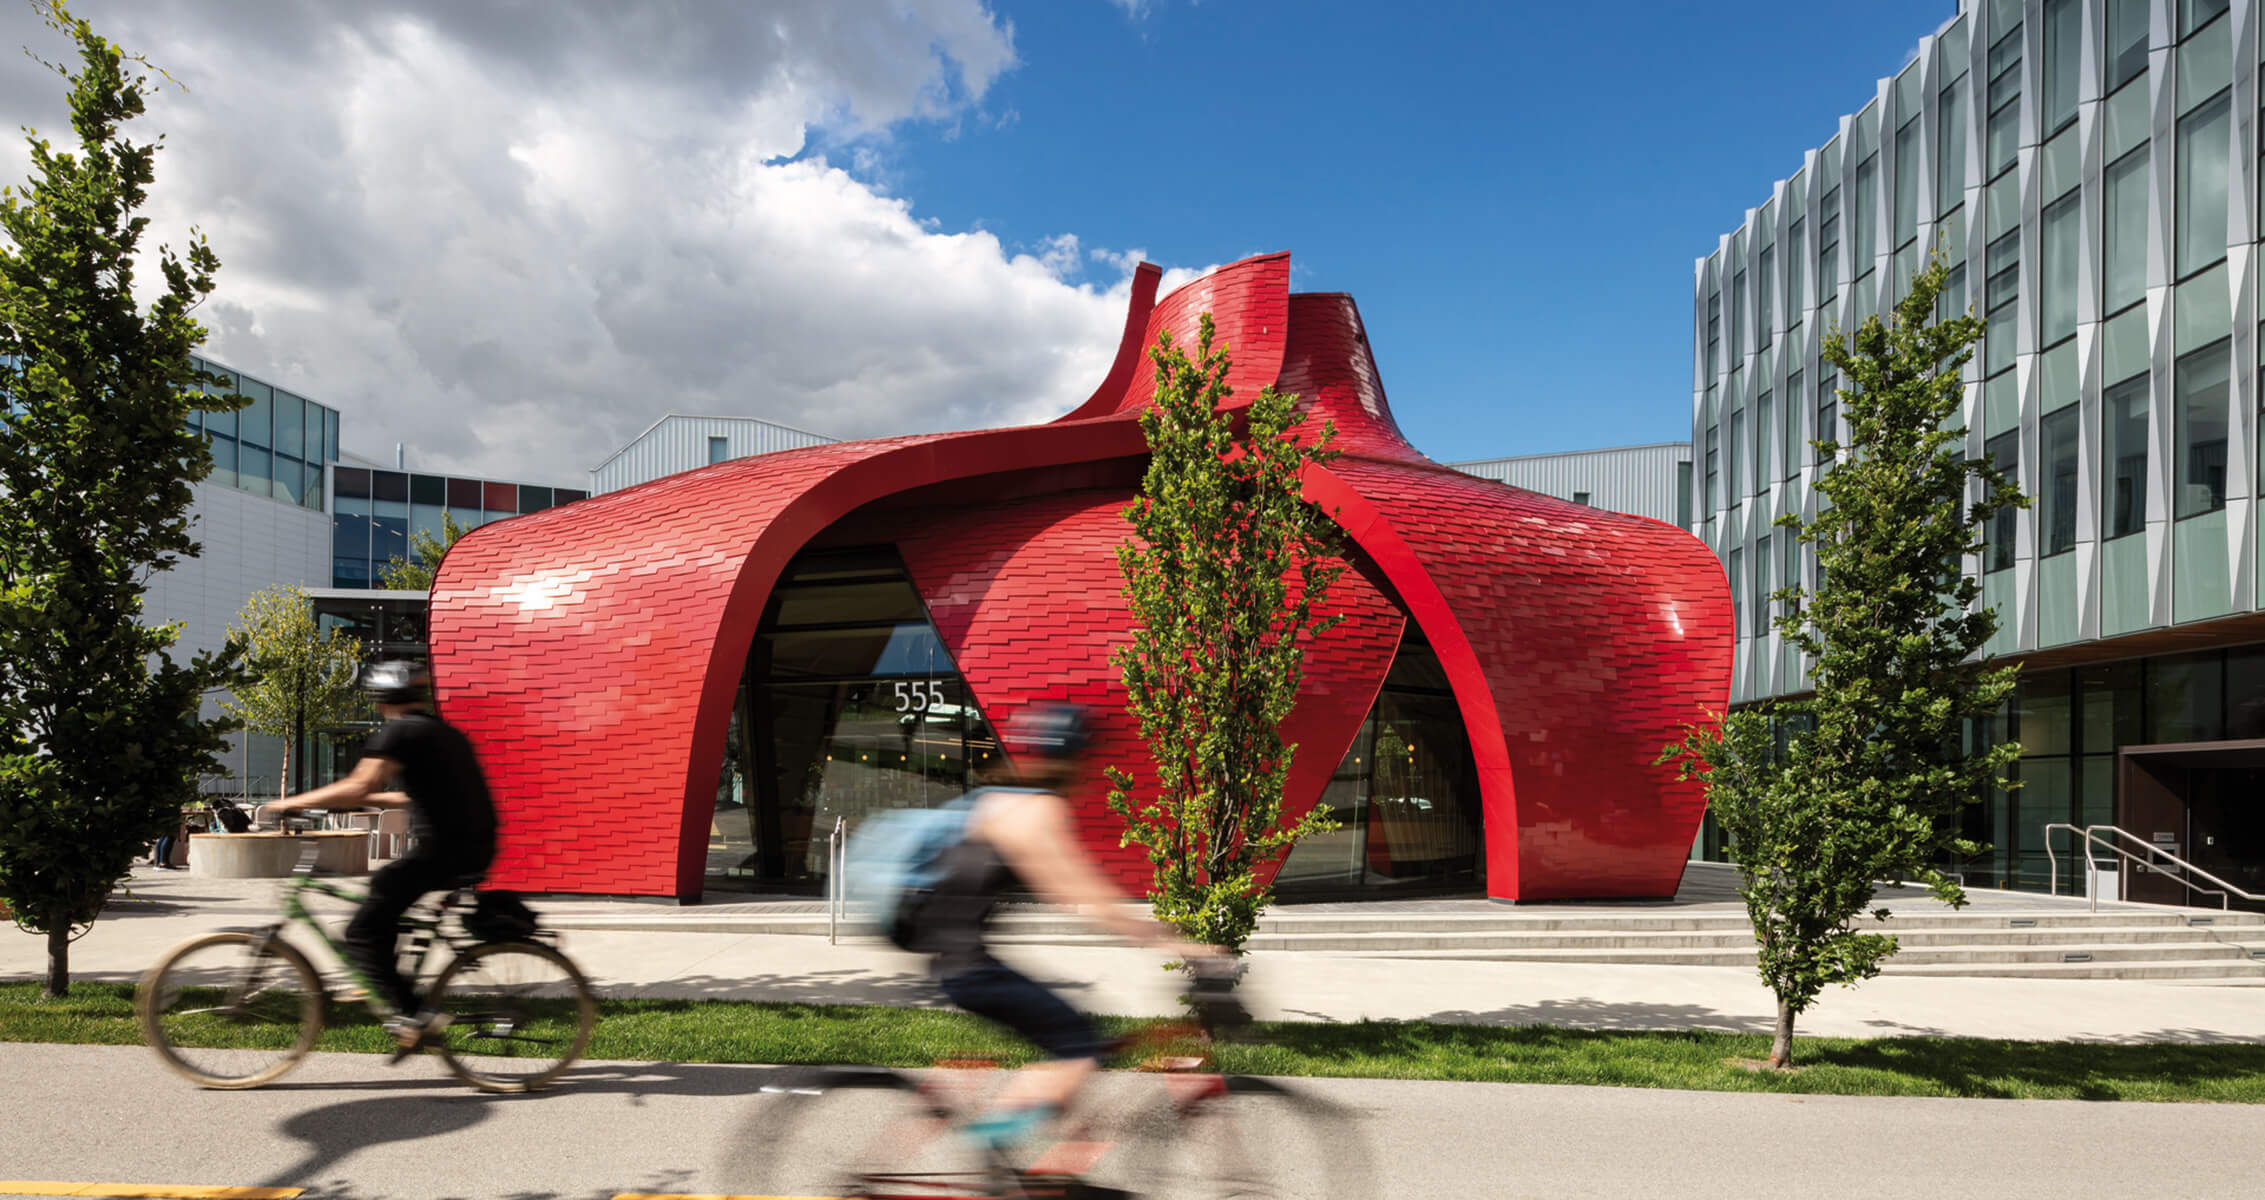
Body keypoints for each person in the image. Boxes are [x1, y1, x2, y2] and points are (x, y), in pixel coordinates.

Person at [900, 703, 1223, 1149]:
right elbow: (1086, 900)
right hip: (967, 968)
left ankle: (1024, 1155)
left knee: (1068, 1042)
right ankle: (991, 1154)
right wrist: (1182, 945)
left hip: (956, 959)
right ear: (1077, 761)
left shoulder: (1002, 799)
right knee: (1079, 1045)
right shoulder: (1035, 811)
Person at [267, 660, 498, 1051]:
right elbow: (407, 794)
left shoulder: (400, 732)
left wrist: (289, 804)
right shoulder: (438, 731)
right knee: (383, 899)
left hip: (443, 851)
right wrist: (368, 799)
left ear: (379, 699)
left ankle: (414, 1014)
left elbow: (359, 784)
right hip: (471, 847)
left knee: (361, 931)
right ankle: (383, 977)